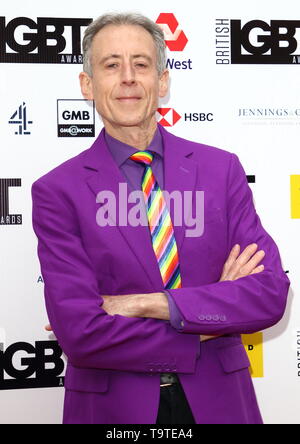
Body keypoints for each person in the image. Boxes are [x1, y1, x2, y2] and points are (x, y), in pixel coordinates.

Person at [31, 12, 290, 424]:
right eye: (111, 65)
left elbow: (267, 294)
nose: (128, 77)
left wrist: (144, 304)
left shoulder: (220, 170)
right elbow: (80, 333)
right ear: (88, 85)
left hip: (219, 402)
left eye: (142, 63)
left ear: (163, 80)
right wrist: (211, 316)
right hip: (113, 408)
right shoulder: (57, 191)